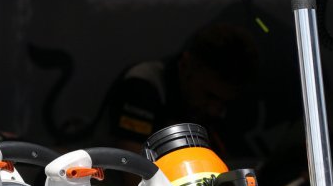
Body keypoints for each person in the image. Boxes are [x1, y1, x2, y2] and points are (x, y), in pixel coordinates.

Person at [106, 23, 260, 158]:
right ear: (185, 65)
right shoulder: (143, 84)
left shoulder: (215, 106)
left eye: (223, 103)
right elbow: (133, 171)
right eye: (209, 96)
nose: (214, 110)